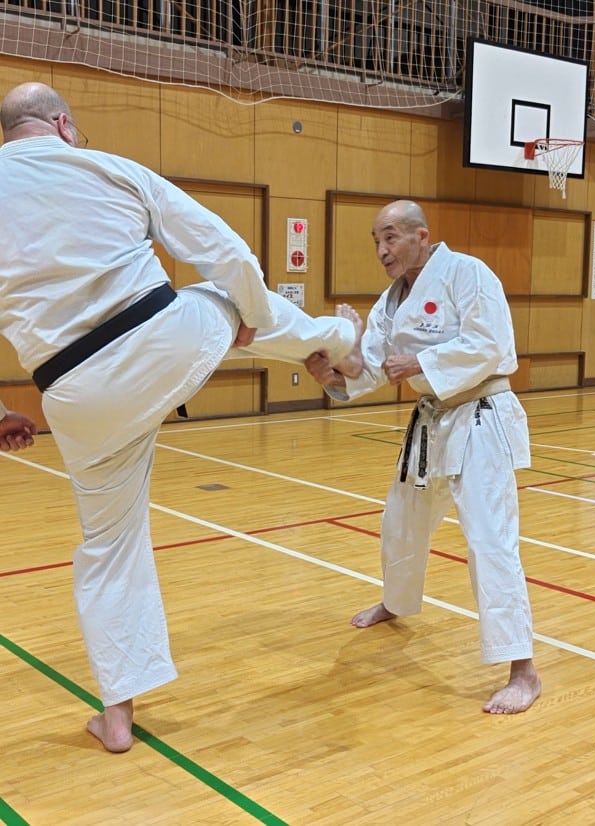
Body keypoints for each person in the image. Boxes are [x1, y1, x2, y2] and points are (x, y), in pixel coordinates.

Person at [0, 81, 362, 753]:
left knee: (107, 548)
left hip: (72, 395)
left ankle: (116, 715)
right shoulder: (110, 166)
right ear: (63, 123)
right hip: (157, 341)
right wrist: (247, 317)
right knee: (227, 294)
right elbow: (228, 251)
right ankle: (337, 345)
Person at [305, 200, 541, 715]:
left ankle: (522, 669)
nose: (382, 251)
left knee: (489, 540)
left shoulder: (466, 273)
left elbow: (492, 342)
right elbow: (374, 369)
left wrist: (423, 361)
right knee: (401, 522)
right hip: (433, 422)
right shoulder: (392, 301)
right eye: (375, 242)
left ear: (421, 235)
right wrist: (337, 372)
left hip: (481, 415)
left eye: (389, 238)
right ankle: (397, 601)